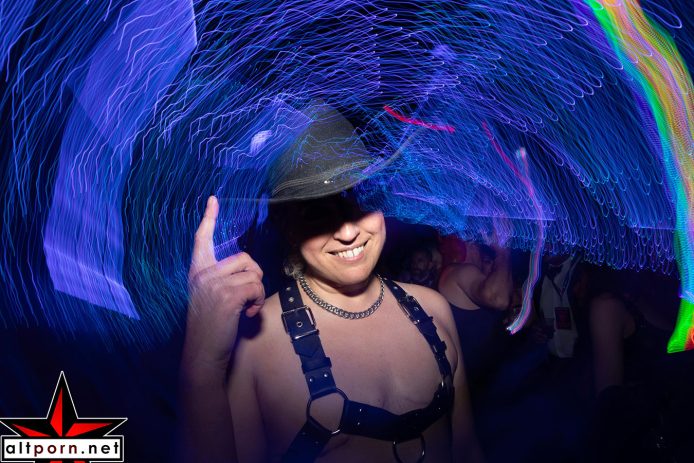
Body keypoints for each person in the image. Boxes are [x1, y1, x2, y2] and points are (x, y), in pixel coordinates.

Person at [178, 104, 482, 462]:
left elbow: (468, 450)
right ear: (289, 228)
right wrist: (202, 364)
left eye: (359, 201)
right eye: (317, 213)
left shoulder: (433, 310)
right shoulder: (257, 343)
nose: (349, 232)